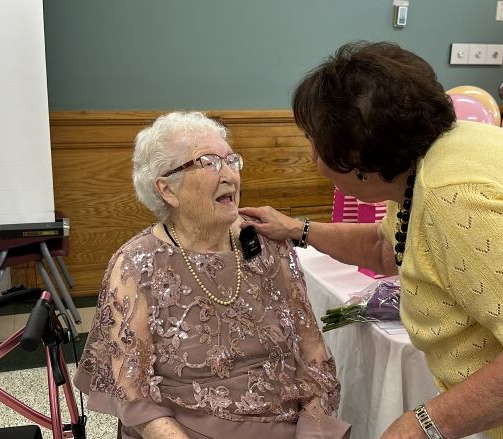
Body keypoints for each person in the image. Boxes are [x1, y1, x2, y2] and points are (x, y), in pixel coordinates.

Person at [239, 41, 503, 439]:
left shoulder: (453, 197)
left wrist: (419, 424)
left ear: (357, 160)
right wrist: (298, 229)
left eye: (315, 144)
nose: (312, 157)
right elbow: (391, 247)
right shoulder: (430, 158)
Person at [74, 112, 350, 439]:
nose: (230, 174)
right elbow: (132, 393)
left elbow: (312, 353)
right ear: (167, 189)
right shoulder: (135, 264)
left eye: (232, 160)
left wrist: (312, 429)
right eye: (209, 162)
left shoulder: (270, 246)